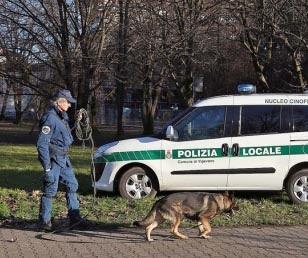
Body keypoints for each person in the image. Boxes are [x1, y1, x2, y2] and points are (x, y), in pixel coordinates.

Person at [36, 89, 85, 231]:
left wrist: (76, 122)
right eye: (68, 102)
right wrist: (47, 168)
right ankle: (44, 222)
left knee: (72, 185)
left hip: (64, 158)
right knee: (50, 188)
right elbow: (42, 144)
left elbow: (63, 135)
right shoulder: (49, 118)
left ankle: (74, 218)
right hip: (54, 159)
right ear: (60, 102)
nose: (70, 105)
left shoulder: (62, 116)